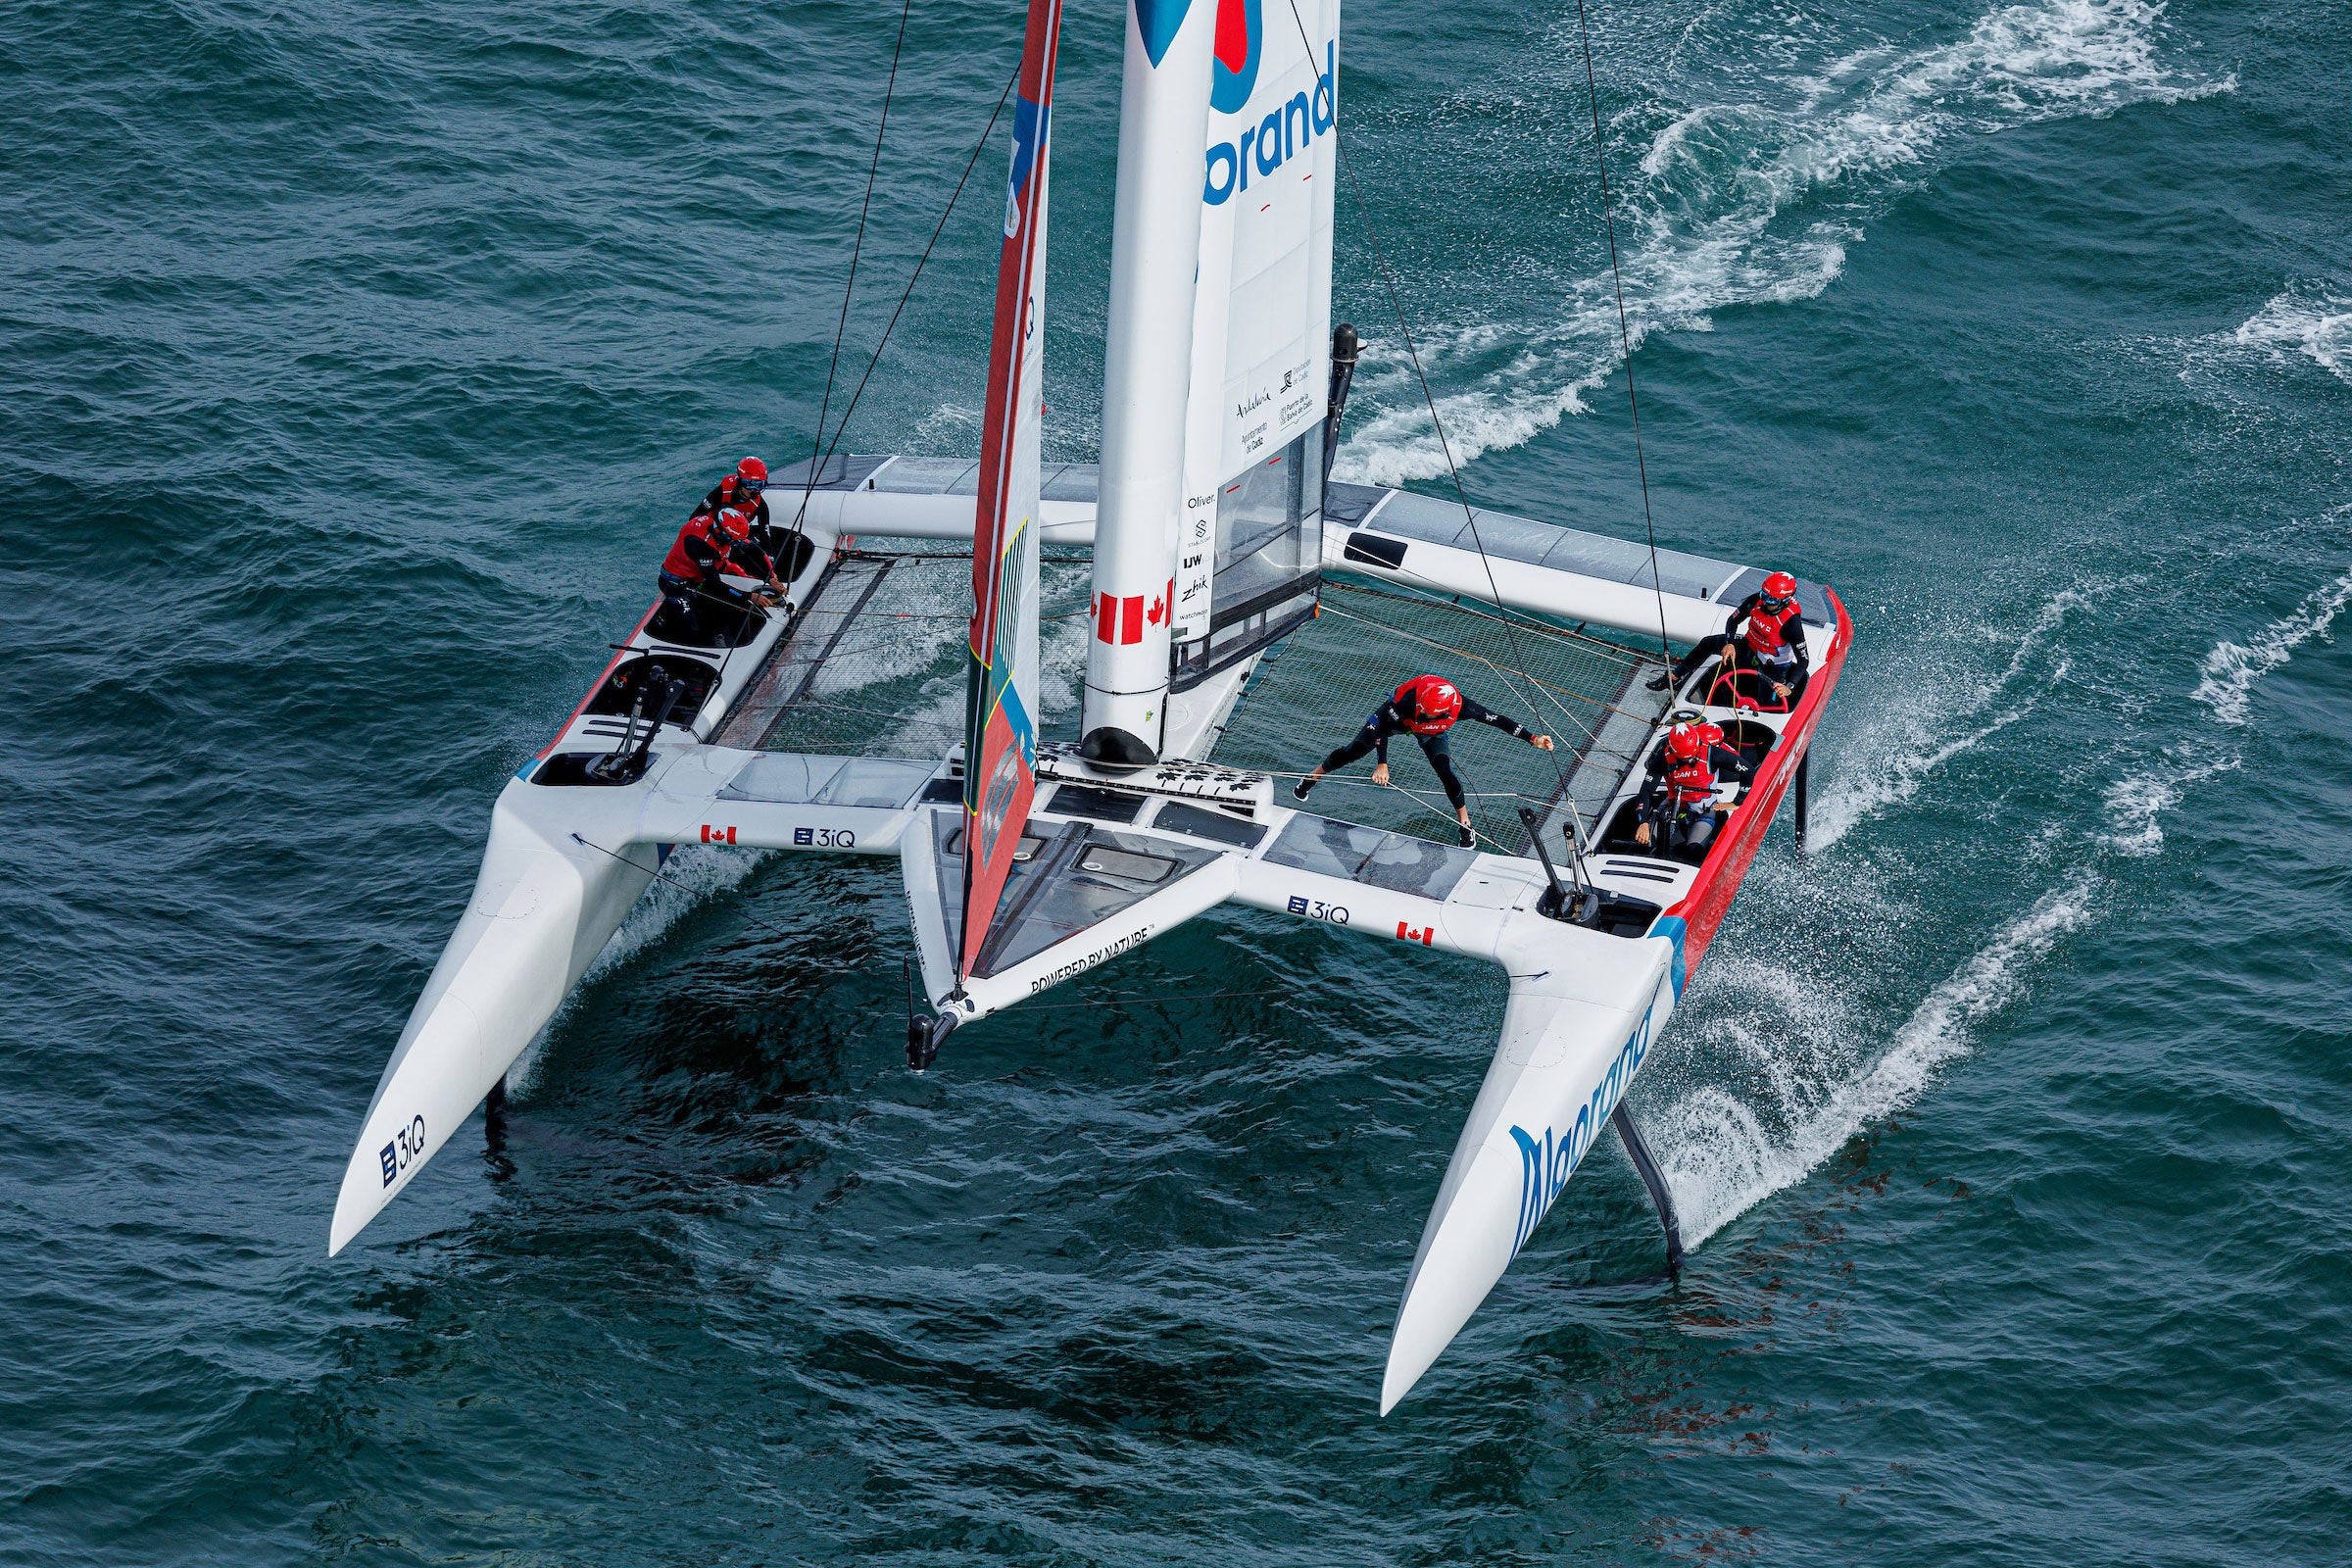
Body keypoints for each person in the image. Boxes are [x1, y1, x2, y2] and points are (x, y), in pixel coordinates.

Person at [1292, 674, 1555, 848]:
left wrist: (1533, 738)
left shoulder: (1463, 707)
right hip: (1392, 721)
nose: (1422, 712)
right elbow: (1382, 728)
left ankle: (1465, 825)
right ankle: (1310, 778)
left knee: (1445, 771)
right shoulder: (1409, 703)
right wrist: (1381, 763)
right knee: (1354, 750)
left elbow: (1498, 720)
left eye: (1427, 712)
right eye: (1423, 709)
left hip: (1431, 732)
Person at [1649, 570, 1809, 709]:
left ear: (1785, 600)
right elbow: (1732, 621)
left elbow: (1803, 661)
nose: (1766, 602)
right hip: (1749, 647)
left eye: (1772, 600)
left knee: (1764, 704)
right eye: (1764, 595)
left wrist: (1789, 686)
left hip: (1773, 666)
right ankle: (1674, 677)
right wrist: (1730, 643)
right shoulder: (1756, 600)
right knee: (1708, 643)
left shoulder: (1791, 624)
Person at [1632, 719, 1750, 859]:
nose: (1690, 761)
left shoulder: (1712, 753)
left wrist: (1737, 802)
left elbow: (1748, 770)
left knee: (1694, 851)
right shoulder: (1662, 759)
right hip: (1674, 807)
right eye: (1685, 760)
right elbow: (1646, 791)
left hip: (1704, 811)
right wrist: (1643, 822)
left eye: (1693, 757)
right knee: (1647, 842)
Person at [659, 506, 776, 643]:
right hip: (675, 585)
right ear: (721, 533)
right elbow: (715, 584)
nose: (736, 543)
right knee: (692, 628)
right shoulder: (699, 544)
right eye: (734, 540)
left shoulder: (720, 529)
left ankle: (719, 632)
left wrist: (769, 578)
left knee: (729, 607)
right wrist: (749, 596)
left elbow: (750, 549)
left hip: (699, 578)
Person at [690, 457, 795, 594]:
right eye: (749, 484)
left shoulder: (760, 506)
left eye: (759, 485)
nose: (754, 490)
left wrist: (771, 568)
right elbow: (694, 518)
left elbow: (765, 536)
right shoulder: (721, 492)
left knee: (760, 548)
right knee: (739, 555)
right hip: (713, 535)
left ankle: (771, 579)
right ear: (739, 481)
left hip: (736, 537)